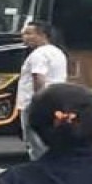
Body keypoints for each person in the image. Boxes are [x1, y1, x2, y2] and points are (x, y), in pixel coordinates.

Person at [17, 21, 68, 160]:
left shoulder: (39, 54)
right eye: (23, 34)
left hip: (35, 102)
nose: (24, 37)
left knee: (34, 139)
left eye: (29, 33)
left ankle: (39, 168)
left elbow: (38, 77)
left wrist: (37, 100)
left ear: (42, 35)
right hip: (56, 100)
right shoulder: (57, 52)